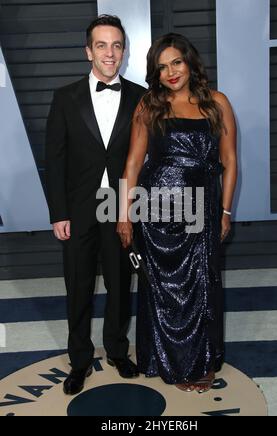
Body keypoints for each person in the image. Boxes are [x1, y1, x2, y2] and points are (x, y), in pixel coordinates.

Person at [117, 33, 237, 393]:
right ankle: (165, 361)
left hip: (201, 210)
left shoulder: (217, 102)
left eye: (176, 62)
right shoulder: (149, 105)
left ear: (190, 61)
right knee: (162, 289)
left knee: (201, 285)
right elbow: (134, 163)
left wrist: (226, 210)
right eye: (162, 66)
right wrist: (123, 215)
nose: (170, 72)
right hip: (156, 211)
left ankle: (199, 362)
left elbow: (229, 160)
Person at [45, 15, 145, 395]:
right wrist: (59, 213)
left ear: (123, 51)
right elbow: (54, 160)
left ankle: (118, 351)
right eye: (102, 45)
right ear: (88, 51)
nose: (110, 52)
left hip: (120, 207)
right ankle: (80, 360)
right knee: (79, 287)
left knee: (121, 285)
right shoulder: (65, 97)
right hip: (79, 207)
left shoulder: (139, 96)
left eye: (116, 45)